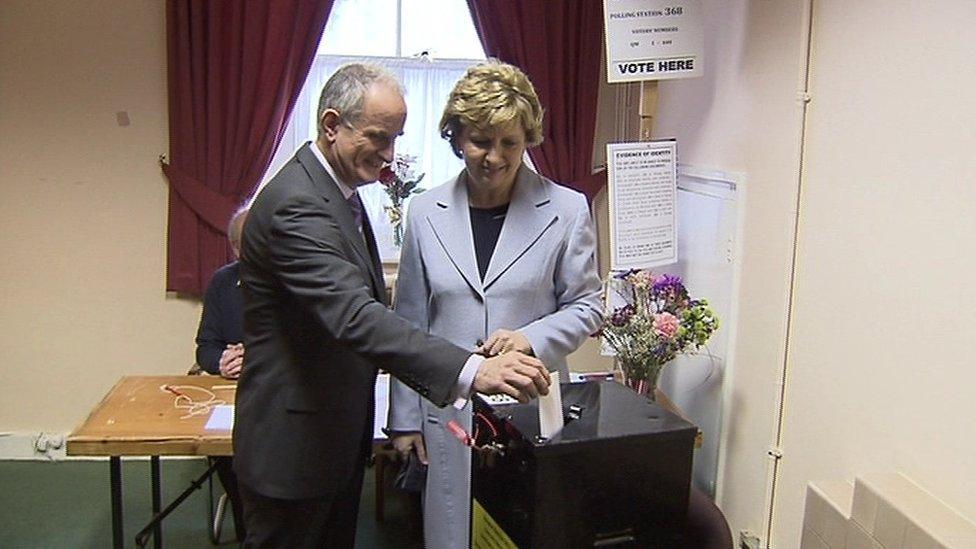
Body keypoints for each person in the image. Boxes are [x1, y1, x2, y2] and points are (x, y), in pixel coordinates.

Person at [233, 62, 552, 548]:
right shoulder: (296, 203)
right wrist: (470, 370)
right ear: (331, 125)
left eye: (396, 139)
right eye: (380, 138)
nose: (389, 155)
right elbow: (356, 316)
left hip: (329, 442)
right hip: (292, 452)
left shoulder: (337, 192)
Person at [387, 60, 604, 549]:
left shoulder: (567, 209)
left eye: (510, 142)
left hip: (531, 406)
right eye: (481, 140)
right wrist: (403, 420)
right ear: (457, 137)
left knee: (525, 529)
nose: (494, 156)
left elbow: (588, 305)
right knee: (451, 532)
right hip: (448, 409)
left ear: (528, 139)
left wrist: (531, 339)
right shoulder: (424, 212)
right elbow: (409, 323)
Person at [194, 206, 248, 541]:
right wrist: (222, 362)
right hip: (232, 396)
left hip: (279, 392)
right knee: (228, 455)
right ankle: (245, 519)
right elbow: (205, 347)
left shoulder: (295, 281)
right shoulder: (223, 282)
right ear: (236, 250)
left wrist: (256, 358)